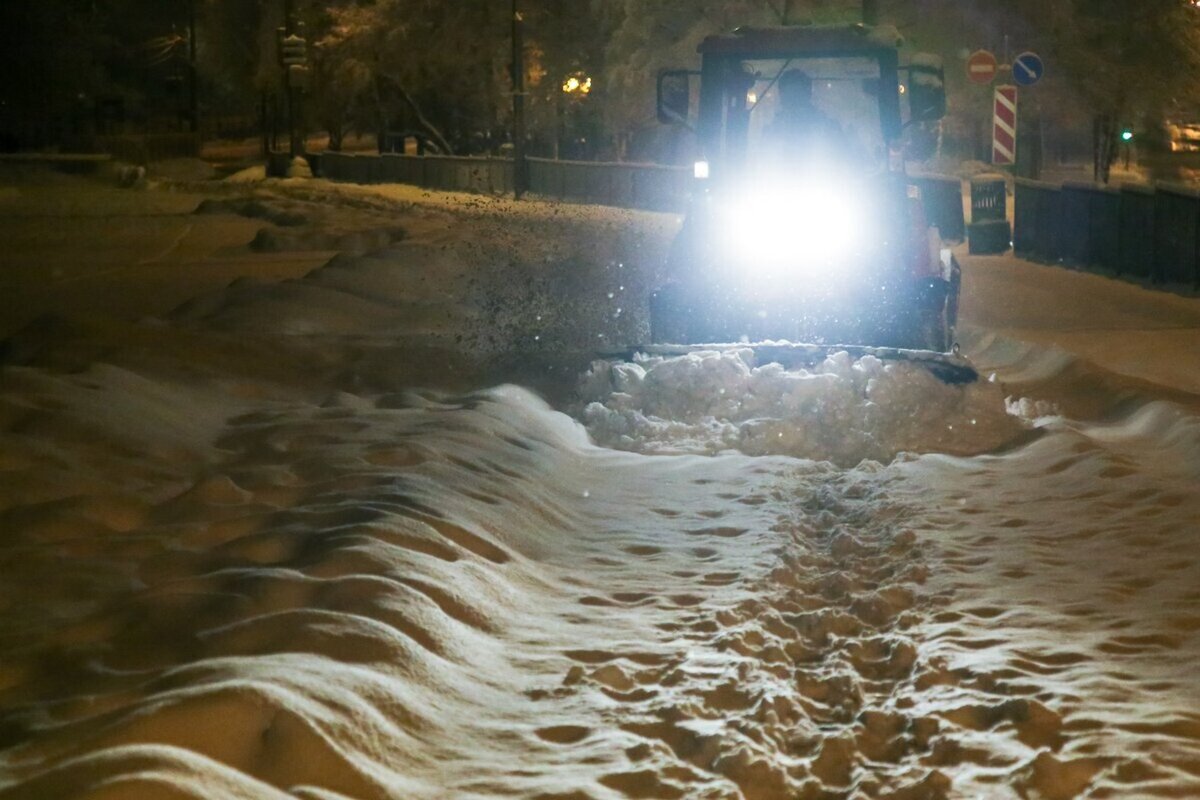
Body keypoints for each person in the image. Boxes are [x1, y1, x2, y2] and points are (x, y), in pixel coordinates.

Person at [762, 69, 856, 167]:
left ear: (808, 94)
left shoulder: (829, 128)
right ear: (782, 96)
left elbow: (847, 163)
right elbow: (760, 166)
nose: (793, 101)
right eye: (789, 95)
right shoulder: (771, 132)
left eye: (797, 95)